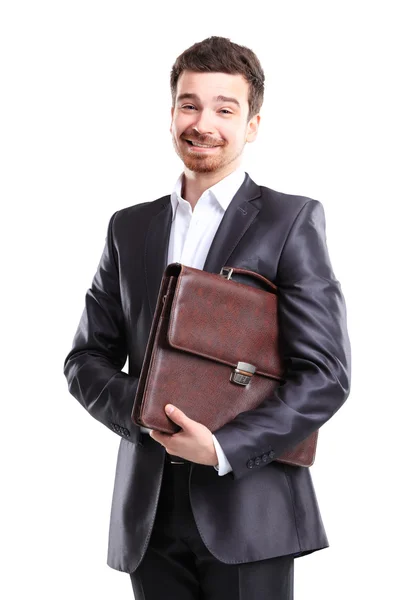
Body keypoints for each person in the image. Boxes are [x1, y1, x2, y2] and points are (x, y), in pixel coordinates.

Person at [63, 36, 351, 600]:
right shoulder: (130, 226)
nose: (204, 123)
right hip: (147, 512)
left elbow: (326, 374)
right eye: (189, 104)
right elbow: (85, 360)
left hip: (251, 506)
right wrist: (148, 418)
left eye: (225, 108)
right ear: (171, 113)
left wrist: (221, 447)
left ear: (253, 124)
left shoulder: (291, 220)